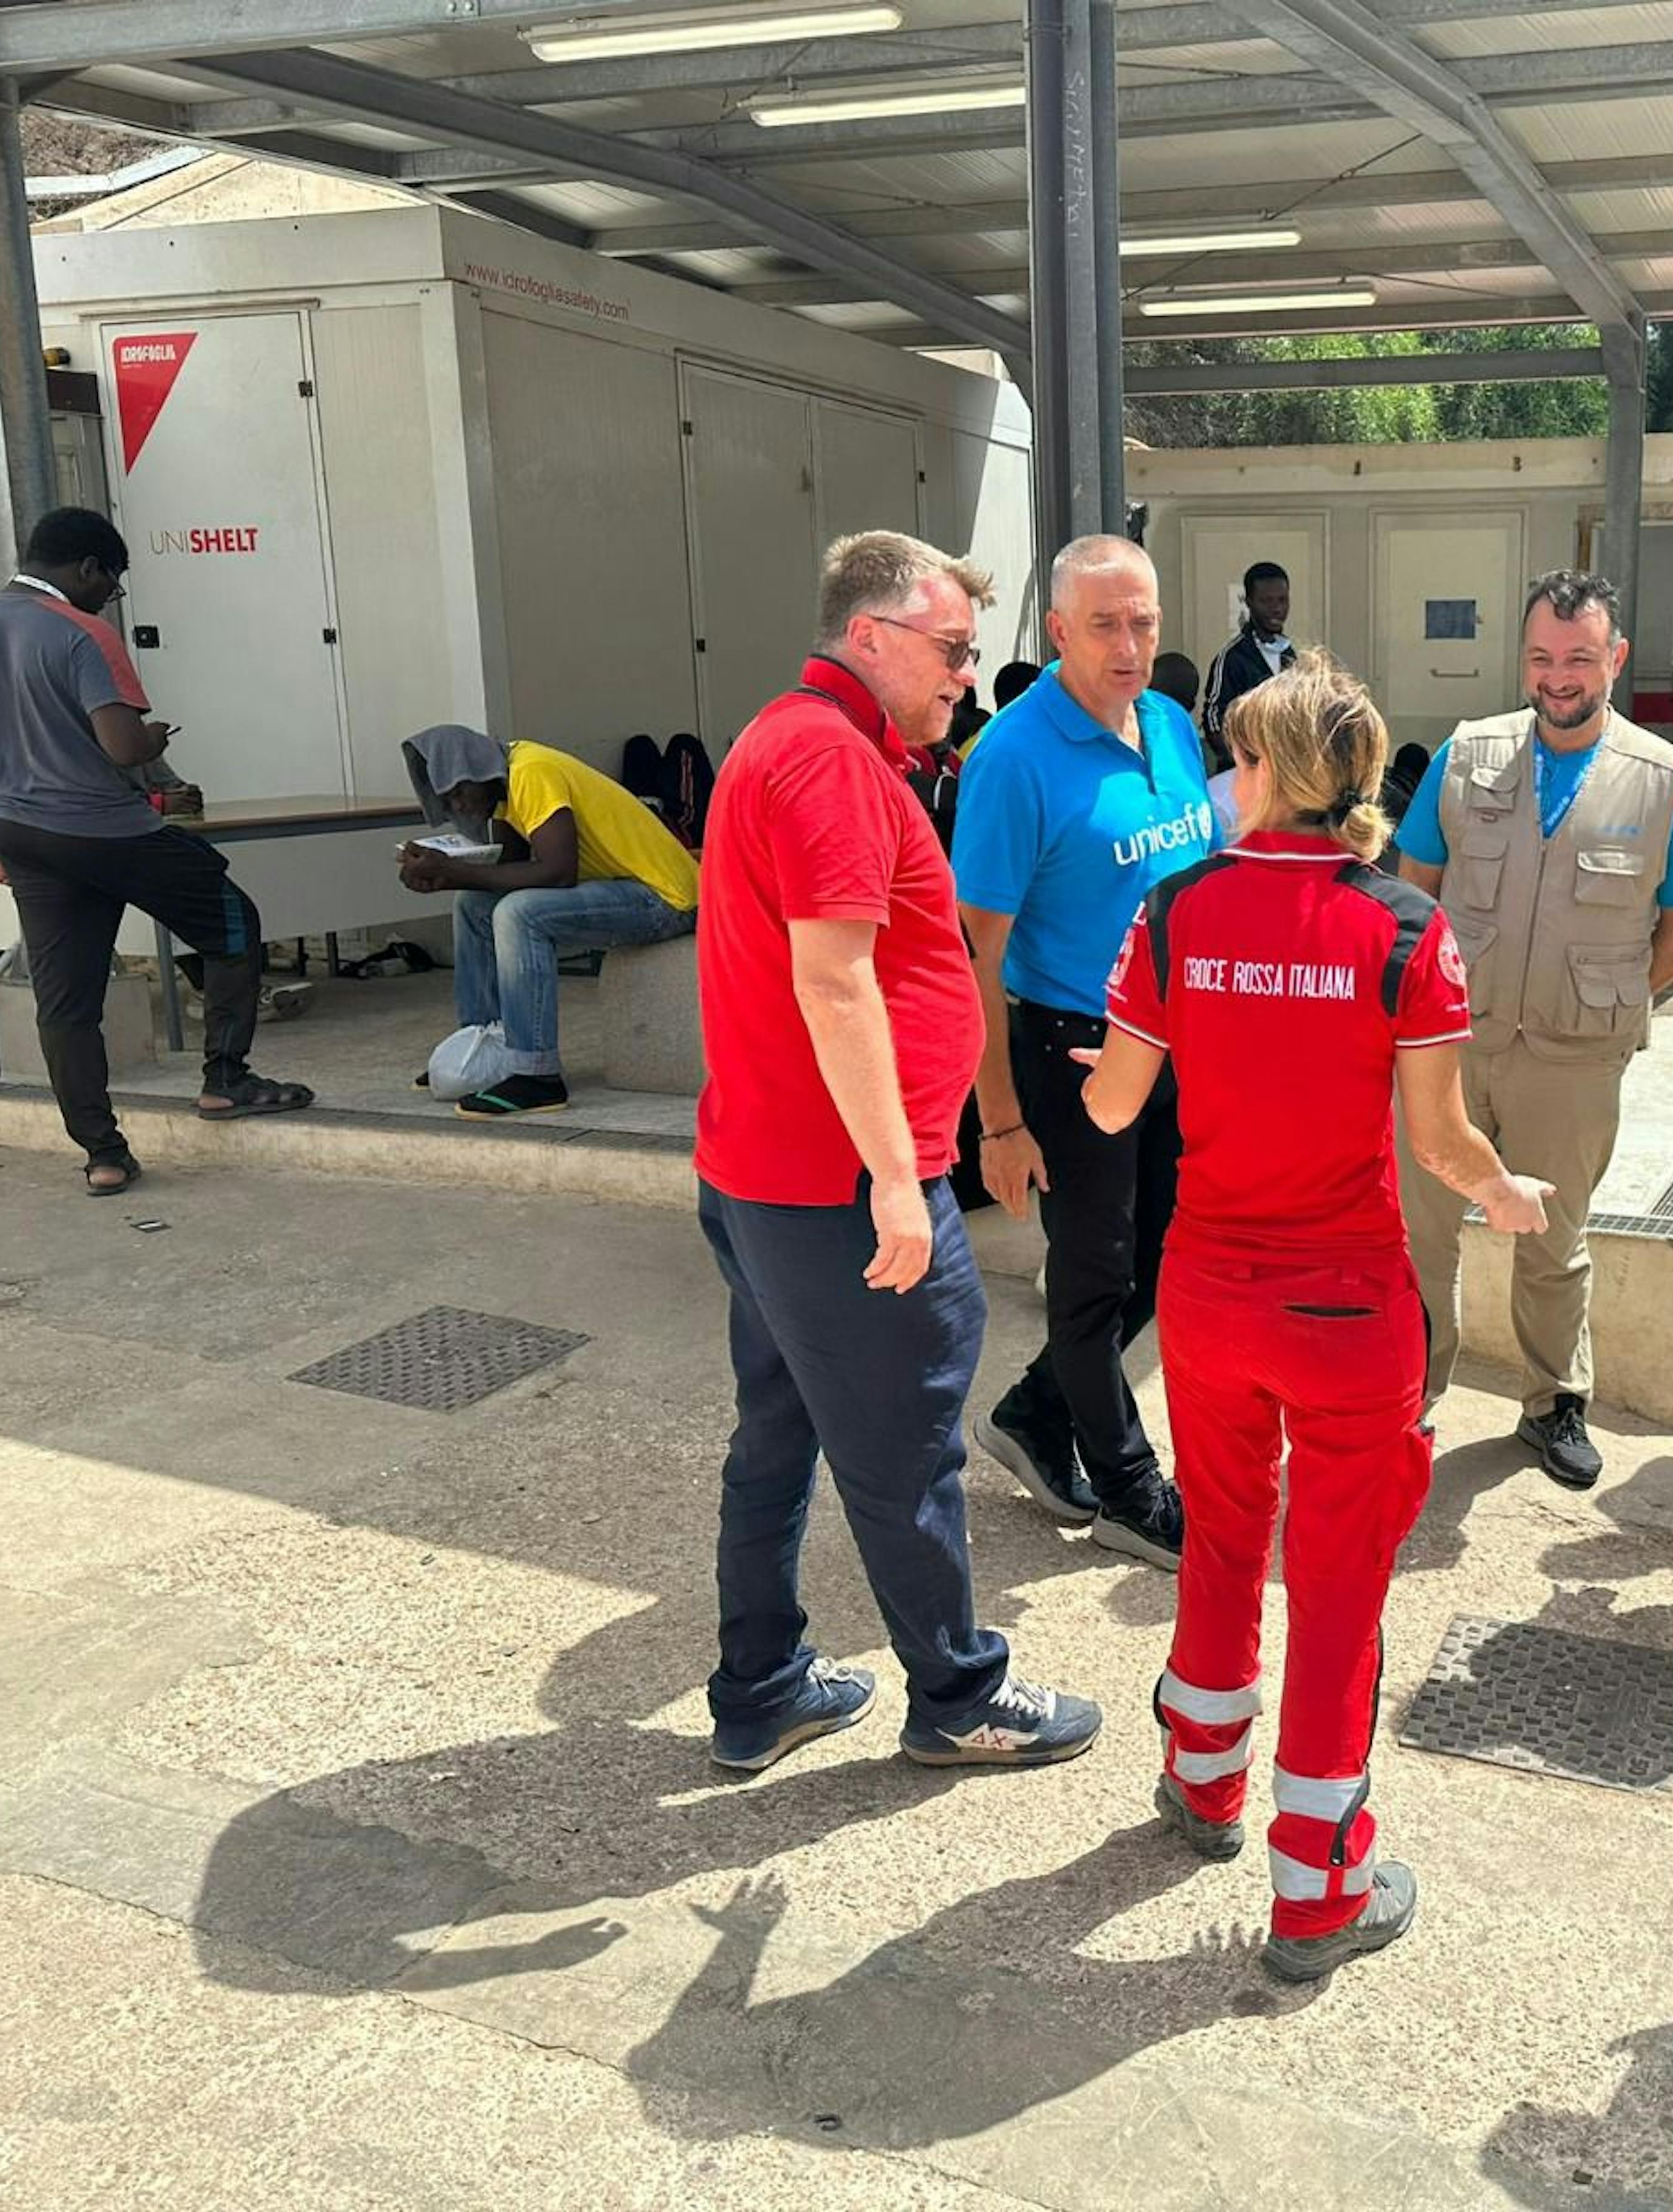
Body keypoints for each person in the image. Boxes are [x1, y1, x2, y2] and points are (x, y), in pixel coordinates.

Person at [1083, 655, 1550, 1982]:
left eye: (1237, 759)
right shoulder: (1408, 929)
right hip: (1347, 1310)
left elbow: (1117, 1107)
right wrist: (1510, 1196)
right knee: (1339, 1589)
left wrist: (1103, 1068)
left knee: (1225, 1539)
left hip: (1210, 1303)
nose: (1224, 780)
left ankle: (1204, 1781)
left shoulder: (1171, 913)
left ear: (1279, 774)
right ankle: (1317, 1889)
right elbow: (1447, 1145)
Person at [692, 528, 1100, 1776]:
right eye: (954, 653)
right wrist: (893, 1178)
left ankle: (761, 1686)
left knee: (779, 1435)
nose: (968, 681)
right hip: (831, 1190)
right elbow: (838, 980)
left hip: (769, 1177)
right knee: (907, 1451)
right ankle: (959, 1697)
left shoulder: (807, 741)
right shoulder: (824, 761)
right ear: (869, 636)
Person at [1394, 569, 1673, 1488]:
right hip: (1451, 1048)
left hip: (1575, 1059)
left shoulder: (1667, 781)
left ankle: (1553, 1403)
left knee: (1554, 1237)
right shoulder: (1467, 755)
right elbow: (1413, 886)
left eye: (1580, 657)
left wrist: (1615, 996)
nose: (1560, 676)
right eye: (1543, 657)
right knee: (1420, 1231)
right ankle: (1407, 1399)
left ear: (1615, 658)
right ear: (1525, 658)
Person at [954, 535, 1212, 1564]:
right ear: (1057, 630)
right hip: (1072, 1053)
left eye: (1143, 620)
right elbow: (977, 957)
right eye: (1104, 623)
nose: (1129, 643)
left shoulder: (1170, 725)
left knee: (1162, 1258)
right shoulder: (1013, 758)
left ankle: (1032, 1416)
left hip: (1171, 1049)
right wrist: (1002, 1121)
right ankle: (1128, 1489)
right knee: (1097, 1275)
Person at [0, 507, 312, 1193]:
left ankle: (104, 1154)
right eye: (112, 582)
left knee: (67, 1000)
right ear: (89, 569)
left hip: (20, 832)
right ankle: (226, 1079)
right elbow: (122, 747)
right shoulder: (85, 633)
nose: (111, 596)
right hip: (104, 829)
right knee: (234, 923)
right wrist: (156, 739)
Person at [398, 725, 701, 1116]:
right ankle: (479, 1053)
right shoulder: (505, 789)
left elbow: (558, 872)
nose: (459, 807)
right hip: (626, 889)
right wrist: (443, 873)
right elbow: (508, 870)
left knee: (518, 914)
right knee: (473, 905)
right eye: (447, 801)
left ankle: (536, 1076)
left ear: (478, 770)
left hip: (667, 898)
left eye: (459, 792)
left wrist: (453, 872)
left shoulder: (531, 772)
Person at [1199, 561, 1295, 754]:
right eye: (1267, 601)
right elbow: (1213, 721)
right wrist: (1245, 761)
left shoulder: (1289, 654)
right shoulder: (1232, 658)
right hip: (1243, 773)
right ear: (1249, 602)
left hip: (1285, 772)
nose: (1277, 609)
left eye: (1282, 600)